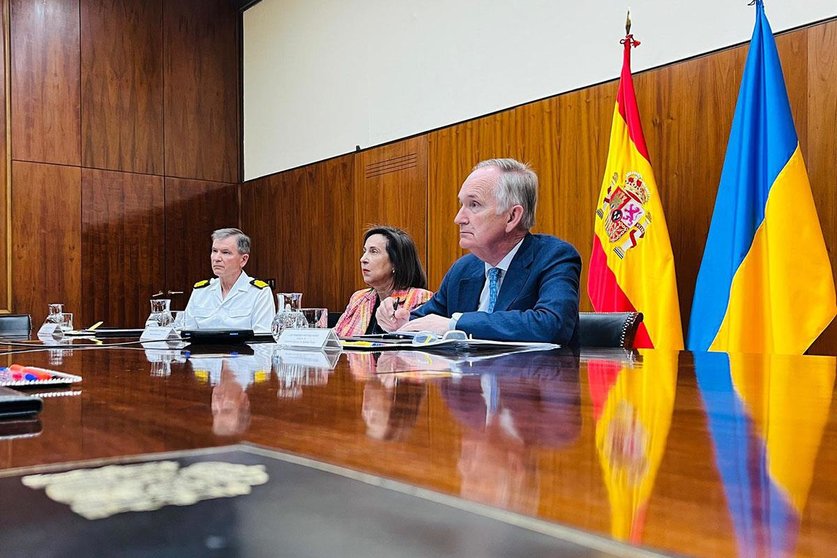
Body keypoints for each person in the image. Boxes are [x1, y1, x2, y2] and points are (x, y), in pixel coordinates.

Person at [377, 158, 581, 346]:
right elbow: (428, 319)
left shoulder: (553, 257)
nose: (459, 218)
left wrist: (456, 325)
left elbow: (552, 325)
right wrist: (402, 321)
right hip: (468, 382)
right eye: (461, 205)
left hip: (529, 381)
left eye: (473, 205)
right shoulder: (463, 269)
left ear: (512, 216)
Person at [334, 225, 433, 337]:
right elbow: (334, 339)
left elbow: (421, 343)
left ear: (396, 263)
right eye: (364, 251)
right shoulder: (359, 298)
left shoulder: (420, 298)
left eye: (374, 251)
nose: (363, 259)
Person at [179, 228, 275, 333]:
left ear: (243, 260)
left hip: (243, 350)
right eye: (214, 251)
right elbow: (186, 334)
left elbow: (262, 339)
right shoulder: (200, 291)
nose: (216, 258)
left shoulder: (259, 293)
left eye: (225, 252)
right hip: (203, 350)